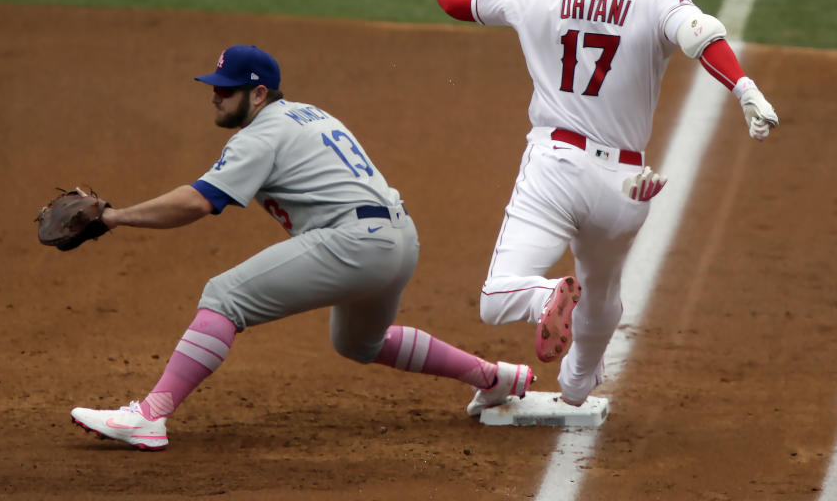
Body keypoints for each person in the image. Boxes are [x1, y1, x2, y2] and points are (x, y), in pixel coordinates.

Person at [69, 44, 534, 450]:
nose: (215, 95)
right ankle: (493, 377)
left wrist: (114, 216)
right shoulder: (310, 113)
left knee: (224, 296)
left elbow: (197, 202)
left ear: (258, 95)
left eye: (226, 89)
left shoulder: (261, 135)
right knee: (358, 341)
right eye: (214, 86)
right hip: (399, 240)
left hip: (355, 244)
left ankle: (150, 416)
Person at [420, 0, 779, 406]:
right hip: (627, 183)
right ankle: (576, 381)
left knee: (497, 298)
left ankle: (546, 297)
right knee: (603, 289)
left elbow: (456, 2)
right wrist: (744, 89)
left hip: (554, 167)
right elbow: (700, 36)